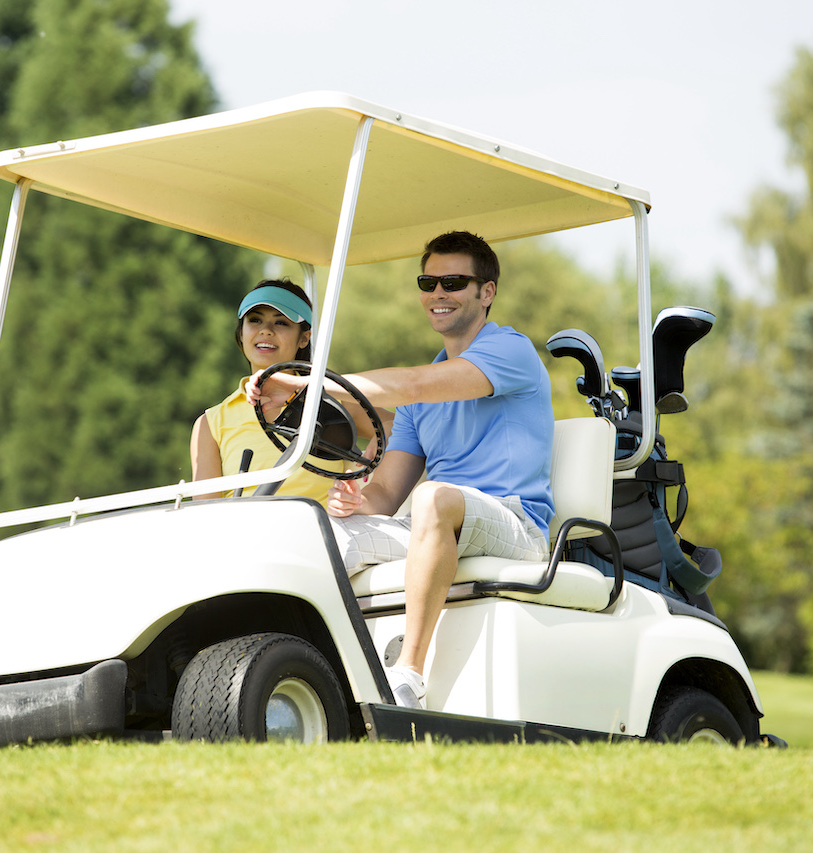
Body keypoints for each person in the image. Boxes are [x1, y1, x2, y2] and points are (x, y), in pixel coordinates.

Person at [248, 232, 554, 708]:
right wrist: (355, 500)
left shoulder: (510, 352)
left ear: (486, 292)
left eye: (453, 282)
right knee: (319, 536)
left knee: (434, 497)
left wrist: (311, 385)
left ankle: (407, 676)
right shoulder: (419, 400)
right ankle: (291, 678)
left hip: (518, 525)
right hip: (435, 526)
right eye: (428, 282)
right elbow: (387, 491)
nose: (438, 294)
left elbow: (412, 384)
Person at [192, 279, 367, 503]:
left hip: (323, 531)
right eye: (255, 320)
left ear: (304, 338)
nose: (266, 330)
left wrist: (370, 494)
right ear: (241, 333)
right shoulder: (210, 423)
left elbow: (401, 431)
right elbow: (205, 513)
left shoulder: (334, 399)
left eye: (281, 323)